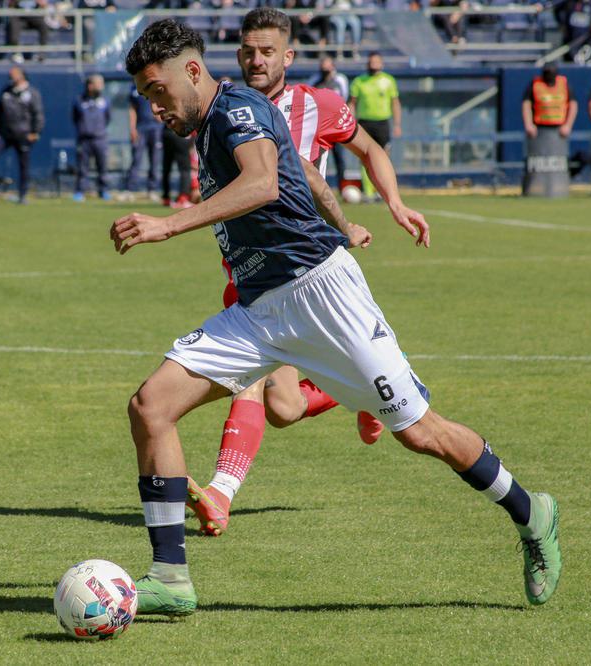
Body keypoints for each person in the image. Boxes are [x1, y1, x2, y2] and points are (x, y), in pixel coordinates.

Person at [113, 18, 562, 617]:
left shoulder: (235, 111)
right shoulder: (213, 120)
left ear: (192, 72)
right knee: (151, 407)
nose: (154, 108)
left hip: (323, 299)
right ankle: (170, 578)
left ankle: (533, 515)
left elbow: (264, 183)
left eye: (157, 92)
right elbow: (303, 175)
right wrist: (344, 222)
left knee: (422, 433)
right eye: (146, 98)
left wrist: (167, 224)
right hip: (259, 310)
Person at [185, 6, 432, 539]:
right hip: (251, 267)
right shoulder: (221, 108)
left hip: (309, 268)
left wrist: (393, 204)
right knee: (285, 406)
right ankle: (365, 391)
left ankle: (221, 495)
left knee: (250, 389)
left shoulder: (316, 105)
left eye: (267, 51)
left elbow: (369, 149)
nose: (256, 60)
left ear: (288, 57)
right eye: (248, 51)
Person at [0, 66, 44, 204]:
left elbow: (38, 114)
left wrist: (36, 132)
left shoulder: (32, 93)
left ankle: (22, 194)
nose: (10, 76)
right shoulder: (6, 91)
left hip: (24, 134)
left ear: (22, 75)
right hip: (6, 134)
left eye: (13, 74)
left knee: (24, 165)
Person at [349, 52, 402, 202]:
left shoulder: (389, 81)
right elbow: (352, 103)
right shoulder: (359, 81)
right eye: (371, 62)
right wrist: (350, 122)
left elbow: (395, 103)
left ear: (381, 63)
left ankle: (383, 191)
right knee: (365, 157)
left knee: (384, 157)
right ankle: (368, 192)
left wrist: (397, 124)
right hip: (364, 123)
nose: (374, 64)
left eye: (377, 62)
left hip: (383, 122)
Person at [310, 55, 349, 186]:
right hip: (320, 127)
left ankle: (341, 186)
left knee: (339, 157)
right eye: (323, 64)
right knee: (319, 158)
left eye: (328, 64)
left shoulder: (340, 80)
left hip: (336, 126)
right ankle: (318, 187)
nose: (325, 67)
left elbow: (344, 99)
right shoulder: (315, 80)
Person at [72, 74, 111, 202]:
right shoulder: (79, 100)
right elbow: (75, 118)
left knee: (102, 167)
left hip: (100, 138)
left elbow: (107, 118)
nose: (101, 87)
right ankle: (80, 192)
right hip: (84, 140)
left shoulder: (105, 101)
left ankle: (103, 191)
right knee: (82, 168)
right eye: (98, 84)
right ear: (90, 86)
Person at [125, 84, 162, 200]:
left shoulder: (154, 83)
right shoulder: (133, 88)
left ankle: (152, 190)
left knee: (155, 160)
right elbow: (132, 109)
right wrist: (132, 128)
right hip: (140, 128)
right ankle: (130, 190)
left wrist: (161, 117)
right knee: (136, 159)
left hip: (155, 128)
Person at [522, 62, 577, 140]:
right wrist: (529, 124)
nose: (548, 75)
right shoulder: (535, 84)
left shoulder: (563, 83)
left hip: (559, 129)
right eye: (546, 73)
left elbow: (573, 105)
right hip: (539, 129)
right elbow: (526, 104)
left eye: (550, 72)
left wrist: (568, 125)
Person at [160, 122, 193, 208]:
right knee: (185, 169)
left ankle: (166, 198)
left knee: (166, 168)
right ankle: (183, 199)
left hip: (167, 132)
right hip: (180, 132)